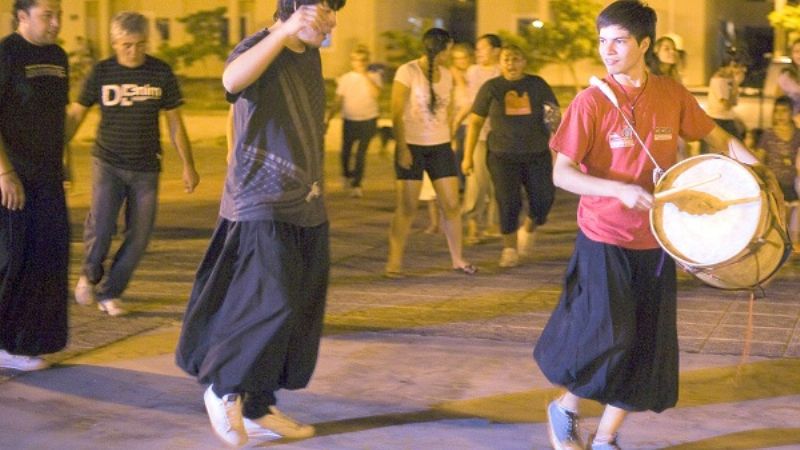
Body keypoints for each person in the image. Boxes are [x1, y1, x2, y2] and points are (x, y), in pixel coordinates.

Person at [532, 2, 760, 449]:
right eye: (603, 41)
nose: (608, 50)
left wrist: (760, 176)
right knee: (609, 336)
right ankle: (565, 408)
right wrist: (617, 190)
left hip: (657, 238)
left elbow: (718, 138)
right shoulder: (590, 102)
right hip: (605, 237)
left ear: (644, 44)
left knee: (647, 346)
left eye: (618, 41)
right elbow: (562, 173)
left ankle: (606, 438)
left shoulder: (671, 94)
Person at [174, 0, 346, 446]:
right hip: (261, 200)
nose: (332, 19)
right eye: (326, 8)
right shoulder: (260, 45)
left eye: (336, 10)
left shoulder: (309, 55)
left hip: (306, 201)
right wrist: (283, 31)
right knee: (271, 300)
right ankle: (224, 387)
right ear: (295, 7)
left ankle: (257, 406)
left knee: (298, 311)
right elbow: (231, 80)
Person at [66, 12, 199, 317]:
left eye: (140, 44)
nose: (133, 51)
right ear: (114, 43)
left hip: (146, 169)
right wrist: (56, 149)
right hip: (108, 163)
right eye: (126, 45)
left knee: (139, 236)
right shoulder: (101, 72)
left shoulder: (160, 72)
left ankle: (111, 292)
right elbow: (76, 114)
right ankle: (90, 273)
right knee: (101, 226)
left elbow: (175, 123)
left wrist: (188, 165)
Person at [0, 0, 69, 372]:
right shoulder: (6, 54)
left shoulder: (58, 57)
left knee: (48, 257)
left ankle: (32, 340)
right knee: (14, 260)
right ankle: (6, 344)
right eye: (48, 15)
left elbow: (58, 117)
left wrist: (66, 164)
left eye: (58, 14)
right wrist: (4, 173)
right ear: (22, 17)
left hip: (48, 176)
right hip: (14, 179)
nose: (56, 22)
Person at [385, 27, 476, 278]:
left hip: (440, 147)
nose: (451, 53)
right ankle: (393, 262)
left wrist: (450, 137)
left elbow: (448, 110)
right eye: (449, 48)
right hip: (411, 146)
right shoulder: (408, 71)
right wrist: (402, 147)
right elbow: (396, 113)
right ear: (440, 49)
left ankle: (458, 259)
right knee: (407, 207)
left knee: (452, 205)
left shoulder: (446, 75)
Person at [462, 44, 559, 268]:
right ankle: (509, 249)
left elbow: (553, 114)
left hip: (536, 153)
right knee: (508, 201)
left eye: (516, 59)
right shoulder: (491, 87)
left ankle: (529, 228)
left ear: (524, 62)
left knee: (543, 198)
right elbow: (475, 122)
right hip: (502, 155)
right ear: (500, 63)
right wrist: (467, 156)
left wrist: (558, 140)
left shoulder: (537, 84)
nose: (511, 64)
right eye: (506, 59)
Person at [454, 34, 502, 245]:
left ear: (496, 50)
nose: (478, 52)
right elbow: (472, 102)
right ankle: (473, 225)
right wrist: (456, 122)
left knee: (498, 182)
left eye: (482, 48)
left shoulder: (502, 70)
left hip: (501, 135)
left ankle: (494, 225)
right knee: (476, 181)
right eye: (477, 48)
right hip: (479, 135)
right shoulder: (473, 71)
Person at [328, 45, 381, 198]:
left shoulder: (374, 76)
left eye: (363, 60)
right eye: (356, 60)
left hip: (368, 119)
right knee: (345, 151)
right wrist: (329, 117)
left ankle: (357, 184)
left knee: (360, 153)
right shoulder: (346, 78)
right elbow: (338, 100)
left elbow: (376, 94)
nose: (360, 63)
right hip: (350, 120)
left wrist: (365, 76)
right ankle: (346, 175)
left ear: (367, 61)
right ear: (352, 61)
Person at [757, 96, 800, 251]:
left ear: (792, 112)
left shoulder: (798, 134)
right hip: (773, 182)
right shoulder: (768, 134)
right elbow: (759, 158)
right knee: (776, 216)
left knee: (789, 217)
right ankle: (775, 247)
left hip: (792, 184)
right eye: (777, 111)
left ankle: (786, 246)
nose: (780, 115)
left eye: (784, 111)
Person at [704, 50, 747, 142]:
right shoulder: (719, 80)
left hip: (727, 119)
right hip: (719, 120)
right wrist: (736, 84)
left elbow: (734, 102)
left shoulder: (729, 79)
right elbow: (726, 105)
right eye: (737, 66)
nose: (740, 70)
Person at [449, 41, 474, 192]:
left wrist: (459, 79)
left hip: (469, 121)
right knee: (457, 153)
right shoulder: (451, 75)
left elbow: (470, 98)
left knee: (467, 152)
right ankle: (461, 183)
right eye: (456, 58)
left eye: (463, 57)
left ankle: (469, 184)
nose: (460, 61)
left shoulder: (474, 72)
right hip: (457, 120)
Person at [777, 39, 800, 121]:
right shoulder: (785, 78)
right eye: (796, 51)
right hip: (793, 121)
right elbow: (779, 103)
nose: (799, 54)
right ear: (792, 54)